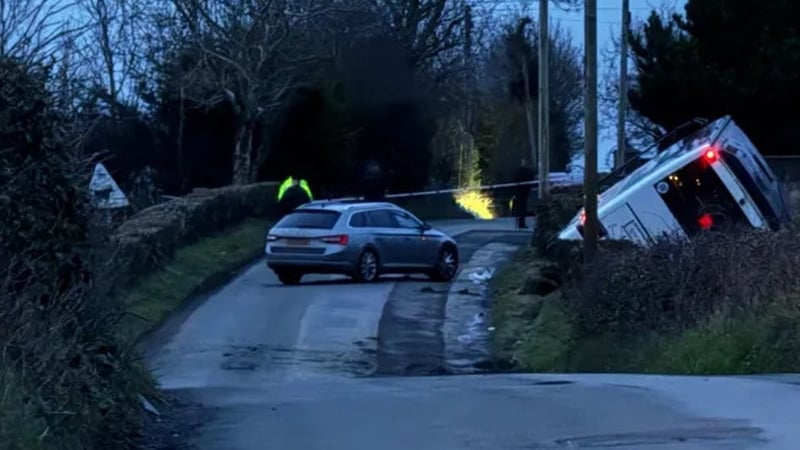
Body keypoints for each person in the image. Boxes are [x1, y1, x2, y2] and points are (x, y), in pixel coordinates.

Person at [512, 158, 535, 229]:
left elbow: (514, 179)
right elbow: (531, 179)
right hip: (525, 191)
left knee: (519, 206)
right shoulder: (528, 171)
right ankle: (521, 223)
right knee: (523, 206)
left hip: (518, 191)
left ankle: (519, 221)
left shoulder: (517, 171)